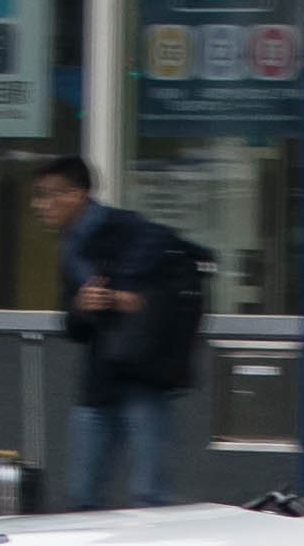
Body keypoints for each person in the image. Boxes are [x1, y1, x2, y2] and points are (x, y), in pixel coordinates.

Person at [30, 155, 199, 510]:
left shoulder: (129, 228)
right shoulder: (69, 247)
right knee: (81, 494)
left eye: (46, 195)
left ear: (76, 195)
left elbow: (164, 279)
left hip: (144, 378)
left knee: (148, 493)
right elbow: (73, 327)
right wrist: (83, 306)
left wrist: (120, 294)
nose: (39, 205)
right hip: (99, 379)